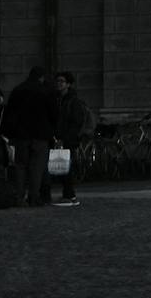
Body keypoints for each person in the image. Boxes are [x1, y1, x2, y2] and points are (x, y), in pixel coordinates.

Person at [2, 66, 59, 207]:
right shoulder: (46, 92)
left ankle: (19, 197)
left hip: (22, 135)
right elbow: (54, 114)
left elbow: (10, 113)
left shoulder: (18, 90)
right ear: (41, 77)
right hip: (40, 135)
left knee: (20, 166)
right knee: (37, 167)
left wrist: (10, 133)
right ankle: (34, 196)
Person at [53, 71, 90, 206]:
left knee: (66, 167)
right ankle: (68, 194)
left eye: (62, 81)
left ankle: (70, 195)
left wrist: (66, 138)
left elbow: (76, 122)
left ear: (68, 84)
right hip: (60, 138)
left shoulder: (73, 101)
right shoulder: (59, 99)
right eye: (57, 81)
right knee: (61, 167)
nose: (59, 84)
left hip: (68, 139)